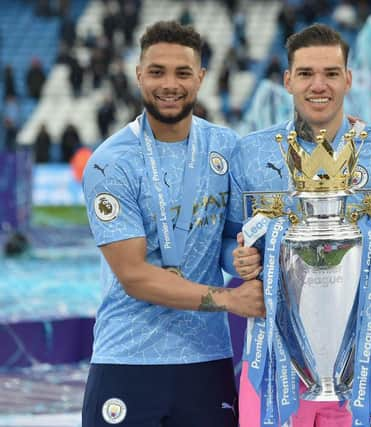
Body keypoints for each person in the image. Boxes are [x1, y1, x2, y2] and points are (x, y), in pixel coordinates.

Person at [228, 23, 371, 427]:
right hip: (273, 361)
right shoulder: (251, 154)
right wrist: (238, 260)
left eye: (331, 73)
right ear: (288, 80)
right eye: (307, 73)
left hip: (358, 363)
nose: (319, 85)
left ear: (348, 78)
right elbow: (229, 240)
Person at [81, 21, 264, 427]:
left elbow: (233, 241)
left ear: (200, 77)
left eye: (183, 73)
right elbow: (135, 276)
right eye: (157, 71)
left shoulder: (225, 147)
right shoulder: (111, 163)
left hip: (206, 359)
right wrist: (229, 298)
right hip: (128, 358)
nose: (170, 84)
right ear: (139, 75)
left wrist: (243, 262)